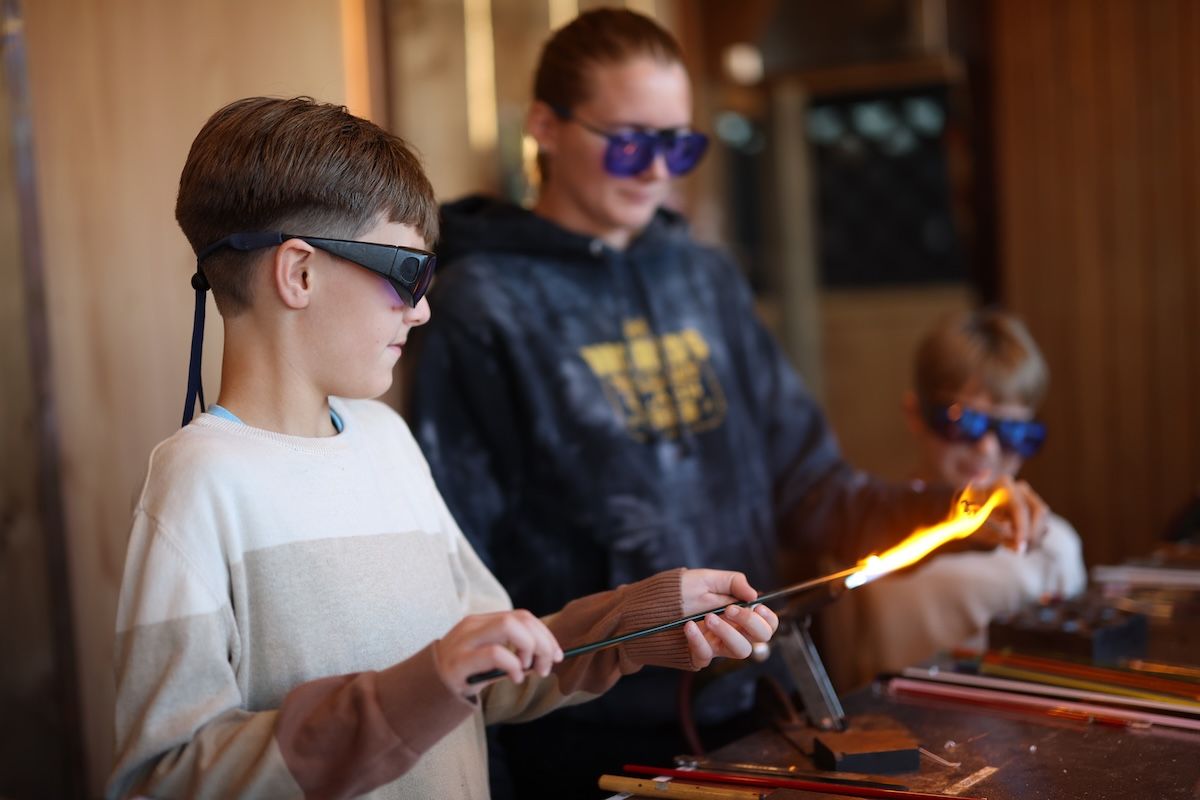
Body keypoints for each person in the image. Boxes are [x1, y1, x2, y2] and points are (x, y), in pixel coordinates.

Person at [407, 9, 1048, 797]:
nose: (657, 171)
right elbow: (462, 573)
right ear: (546, 125)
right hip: (579, 736)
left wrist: (957, 513)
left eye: (678, 146)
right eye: (630, 142)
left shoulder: (703, 278)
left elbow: (813, 495)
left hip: (747, 708)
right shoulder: (480, 304)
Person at [107, 96, 780, 800]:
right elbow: (164, 778)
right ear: (299, 272)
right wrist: (418, 686)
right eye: (408, 273)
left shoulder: (386, 440)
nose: (423, 307)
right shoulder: (199, 482)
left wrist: (631, 622)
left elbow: (488, 672)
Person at [852, 309, 1087, 679]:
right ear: (915, 414)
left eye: (1013, 433)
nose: (987, 448)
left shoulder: (1053, 548)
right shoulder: (864, 538)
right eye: (964, 423)